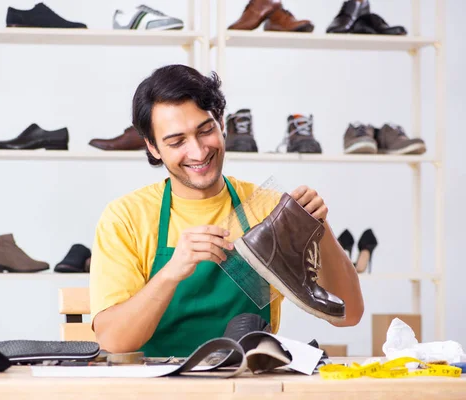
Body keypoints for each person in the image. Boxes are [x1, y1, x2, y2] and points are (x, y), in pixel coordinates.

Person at [89, 64, 364, 357]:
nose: (197, 151)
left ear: (221, 122)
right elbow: (112, 342)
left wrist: (319, 229)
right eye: (177, 141)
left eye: (205, 130)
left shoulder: (266, 208)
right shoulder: (126, 217)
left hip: (247, 384)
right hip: (157, 387)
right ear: (153, 147)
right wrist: (171, 273)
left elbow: (349, 314)